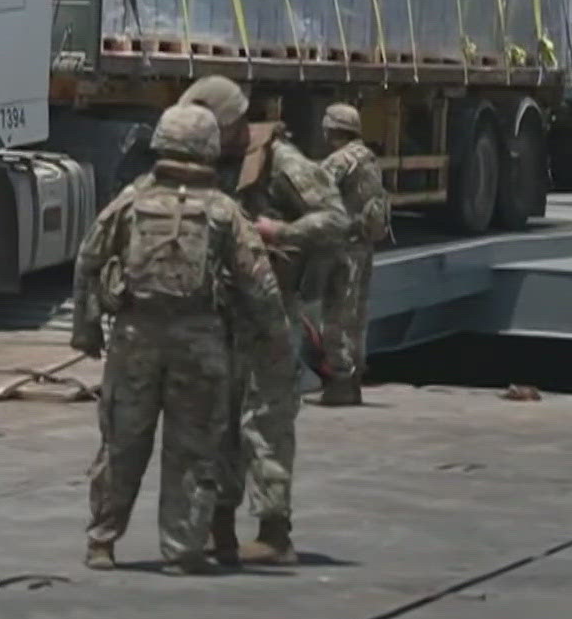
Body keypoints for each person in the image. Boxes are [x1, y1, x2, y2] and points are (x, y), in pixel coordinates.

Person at [70, 104, 291, 575]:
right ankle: (182, 551)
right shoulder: (223, 210)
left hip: (135, 338)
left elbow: (88, 259)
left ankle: (101, 543)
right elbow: (259, 282)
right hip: (200, 343)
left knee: (121, 442)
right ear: (209, 147)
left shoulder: (130, 201)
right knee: (192, 450)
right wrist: (276, 341)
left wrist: (85, 331)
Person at [179, 76, 351, 566]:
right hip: (221, 315)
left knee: (267, 420)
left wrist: (283, 230)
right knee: (219, 420)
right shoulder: (205, 159)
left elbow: (336, 219)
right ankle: (221, 530)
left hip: (272, 313)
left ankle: (275, 533)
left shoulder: (281, 161)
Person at [317, 103, 389, 406]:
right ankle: (354, 377)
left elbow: (313, 192)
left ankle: (340, 381)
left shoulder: (339, 161)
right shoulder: (368, 158)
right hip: (364, 246)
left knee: (336, 314)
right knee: (357, 315)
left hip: (343, 247)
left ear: (332, 129)